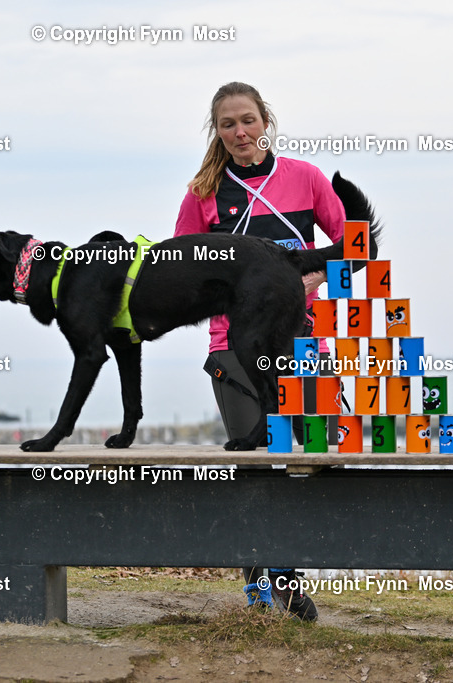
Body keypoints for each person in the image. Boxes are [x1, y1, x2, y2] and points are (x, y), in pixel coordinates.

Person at [175, 82, 347, 621]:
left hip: (306, 339)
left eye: (248, 120)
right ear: (217, 131)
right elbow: (183, 269)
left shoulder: (307, 179)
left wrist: (308, 280)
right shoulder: (203, 193)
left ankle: (287, 569)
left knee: (311, 459)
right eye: (228, 124)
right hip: (234, 347)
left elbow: (354, 246)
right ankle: (273, 587)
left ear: (265, 120)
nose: (240, 132)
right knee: (252, 465)